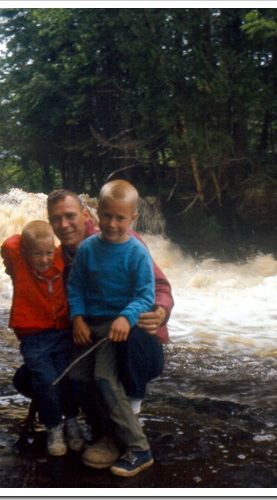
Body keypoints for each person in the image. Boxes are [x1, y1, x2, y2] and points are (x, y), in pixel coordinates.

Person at [14, 187, 174, 468]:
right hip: (85, 331)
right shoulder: (51, 256)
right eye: (56, 219)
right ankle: (85, 425)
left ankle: (120, 437)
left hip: (136, 343)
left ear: (86, 214)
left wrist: (160, 311)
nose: (64, 224)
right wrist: (75, 318)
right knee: (38, 376)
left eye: (70, 215)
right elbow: (19, 253)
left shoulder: (127, 242)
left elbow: (156, 288)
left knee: (106, 371)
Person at [66, 179, 157, 477]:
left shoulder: (137, 253)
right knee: (78, 377)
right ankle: (100, 431)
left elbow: (146, 295)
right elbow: (76, 286)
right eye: (107, 215)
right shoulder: (88, 248)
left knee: (104, 377)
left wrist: (125, 317)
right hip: (88, 326)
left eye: (120, 217)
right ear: (96, 212)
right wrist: (77, 317)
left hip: (116, 327)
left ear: (133, 218)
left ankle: (138, 447)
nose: (112, 223)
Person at [0, 220, 84, 456]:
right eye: (37, 254)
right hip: (34, 337)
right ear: (25, 252)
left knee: (67, 380)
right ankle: (54, 429)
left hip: (62, 333)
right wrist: (31, 241)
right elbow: (9, 244)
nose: (44, 259)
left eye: (48, 252)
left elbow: (63, 249)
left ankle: (72, 423)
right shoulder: (19, 264)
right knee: (46, 382)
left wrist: (45, 243)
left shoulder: (59, 258)